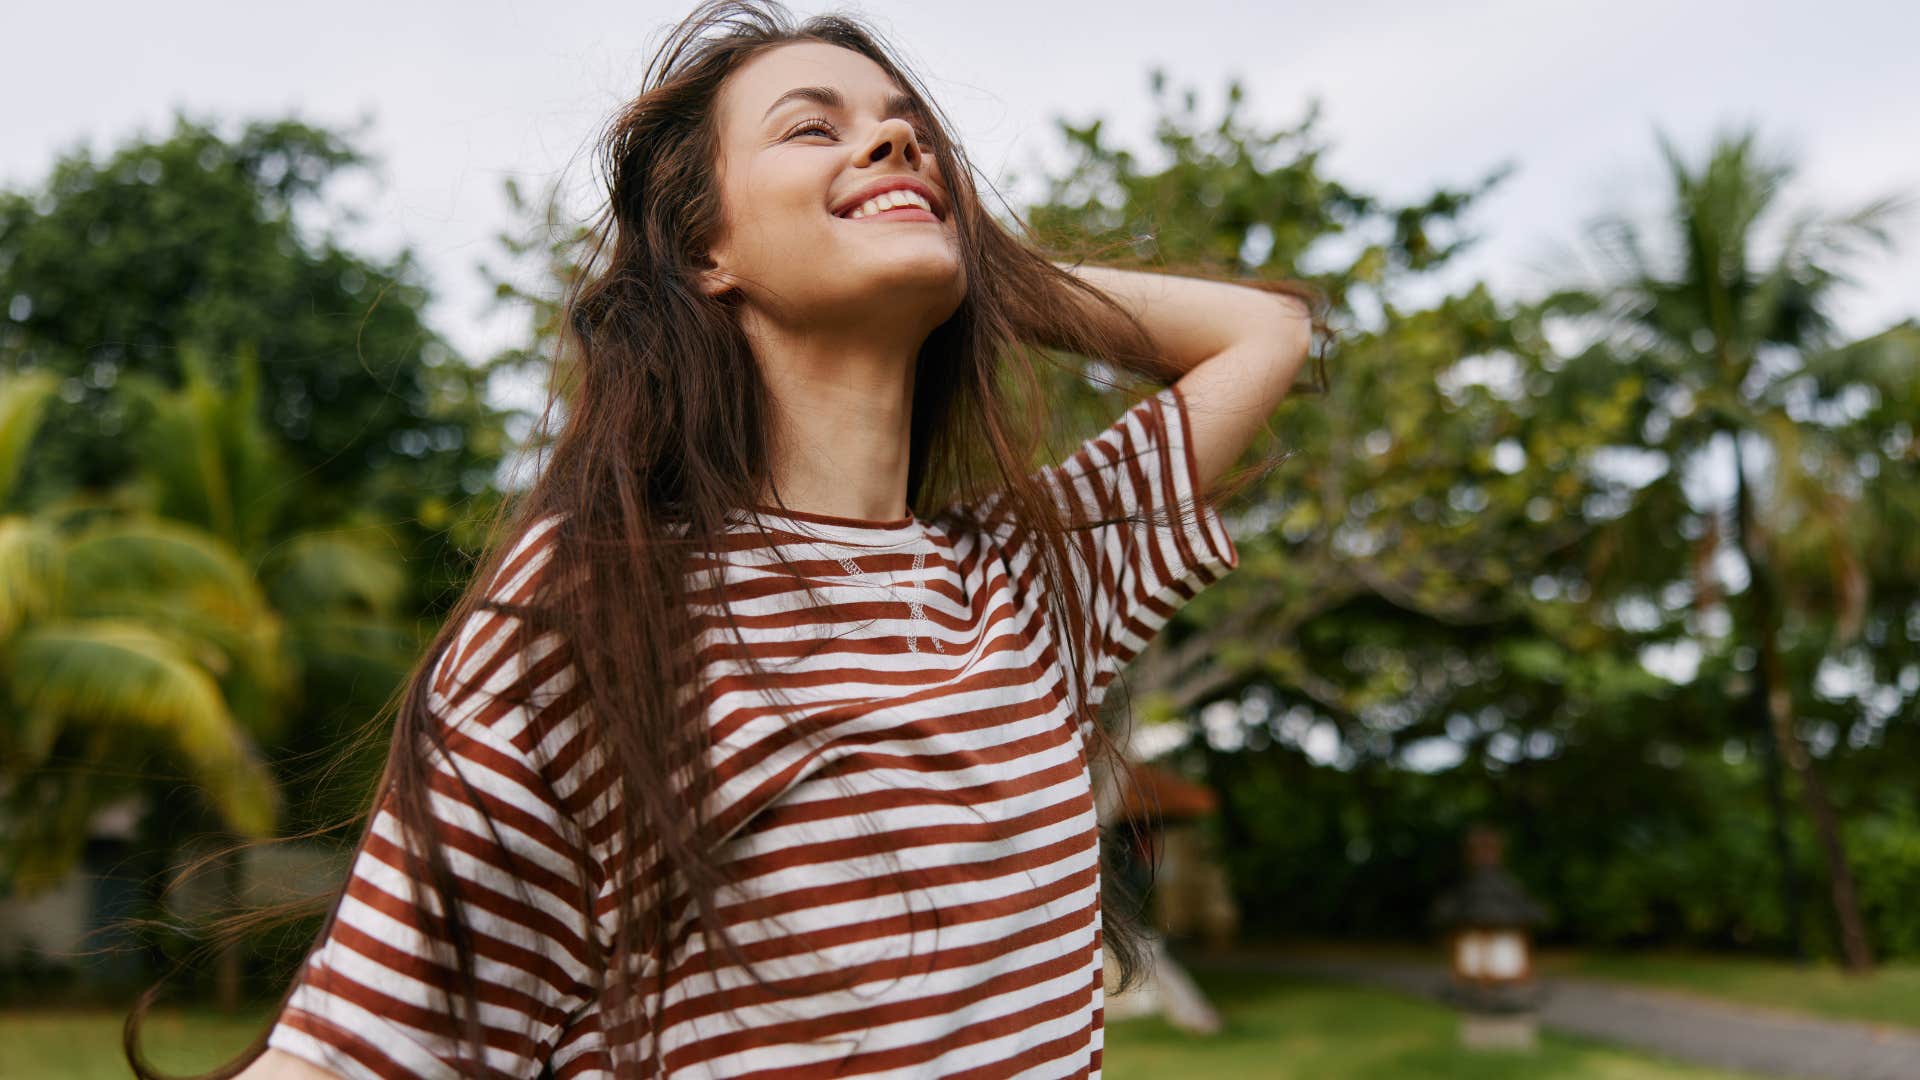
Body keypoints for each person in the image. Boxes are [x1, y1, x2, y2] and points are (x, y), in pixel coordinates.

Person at [205, 2, 1323, 1077]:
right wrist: (902, 207)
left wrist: (975, 260)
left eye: (912, 132)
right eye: (812, 126)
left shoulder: (1024, 583)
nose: (896, 138)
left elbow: (1263, 333)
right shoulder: (604, 595)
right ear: (705, 252)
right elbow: (368, 1051)